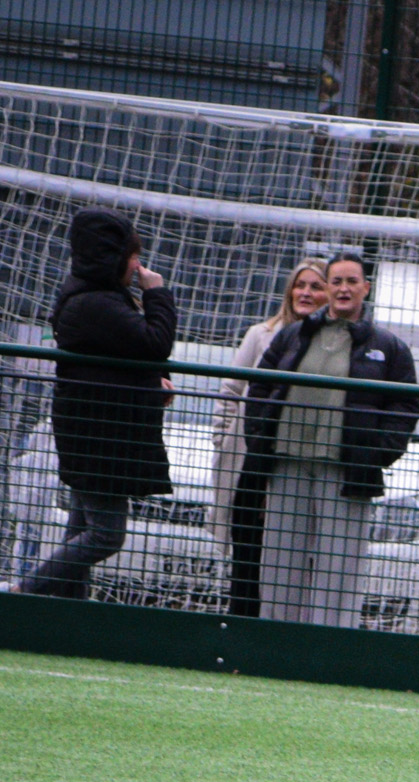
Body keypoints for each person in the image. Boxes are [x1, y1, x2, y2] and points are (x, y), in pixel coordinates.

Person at [242, 250, 419, 627]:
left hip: (346, 473)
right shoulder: (293, 333)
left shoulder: (389, 347)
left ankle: (331, 645)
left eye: (351, 281)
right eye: (335, 281)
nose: (343, 288)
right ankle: (275, 640)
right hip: (286, 464)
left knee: (339, 569)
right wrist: (259, 435)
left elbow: (405, 406)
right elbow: (259, 386)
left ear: (365, 288)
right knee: (278, 563)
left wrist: (377, 454)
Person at [24, 208, 176, 599]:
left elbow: (127, 356)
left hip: (97, 433)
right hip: (99, 436)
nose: (138, 265)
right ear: (114, 256)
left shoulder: (98, 297)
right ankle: (21, 592)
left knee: (81, 527)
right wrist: (156, 292)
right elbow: (154, 342)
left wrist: (149, 382)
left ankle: (66, 613)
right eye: (132, 255)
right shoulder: (96, 301)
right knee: (106, 534)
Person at [213, 259, 327, 617]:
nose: (305, 293)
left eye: (315, 286)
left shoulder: (330, 343)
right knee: (247, 543)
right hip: (249, 457)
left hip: (294, 458)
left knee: (287, 551)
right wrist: (224, 436)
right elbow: (232, 387)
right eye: (300, 285)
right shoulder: (260, 333)